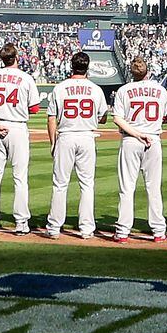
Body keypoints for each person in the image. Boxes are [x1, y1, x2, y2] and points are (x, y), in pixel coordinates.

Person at [0, 45, 42, 234]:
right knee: (20, 177)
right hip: (17, 127)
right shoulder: (26, 78)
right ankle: (21, 223)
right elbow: (34, 109)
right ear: (17, 57)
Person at [110, 56, 167, 242]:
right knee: (153, 187)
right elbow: (166, 117)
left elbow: (117, 118)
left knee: (127, 187)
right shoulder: (160, 90)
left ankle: (122, 232)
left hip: (131, 139)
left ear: (132, 72)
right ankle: (159, 231)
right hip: (153, 139)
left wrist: (136, 133)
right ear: (147, 71)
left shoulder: (124, 90)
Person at [45, 51, 104, 239]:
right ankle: (86, 229)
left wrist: (53, 142)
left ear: (72, 66)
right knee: (87, 184)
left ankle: (54, 228)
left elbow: (51, 118)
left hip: (66, 136)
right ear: (87, 67)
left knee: (60, 184)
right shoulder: (95, 89)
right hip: (87, 136)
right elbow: (102, 117)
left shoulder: (60, 88)